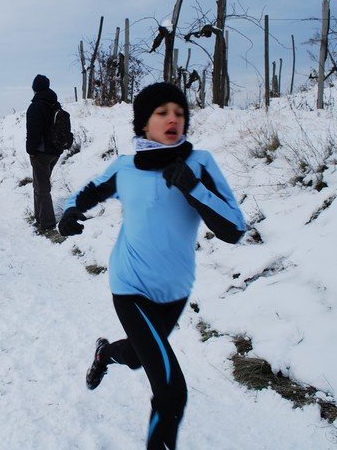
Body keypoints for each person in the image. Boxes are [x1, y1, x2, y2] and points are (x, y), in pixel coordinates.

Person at [57, 83, 245, 450]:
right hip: (130, 286)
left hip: (175, 290)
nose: (173, 119)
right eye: (162, 113)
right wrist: (69, 212)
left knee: (136, 357)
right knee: (171, 392)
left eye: (179, 112)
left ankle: (104, 354)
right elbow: (86, 193)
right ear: (144, 123)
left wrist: (194, 188)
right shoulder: (126, 168)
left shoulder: (200, 163)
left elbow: (234, 229)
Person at [26, 74, 62, 232]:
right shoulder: (55, 104)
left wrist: (31, 151)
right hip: (55, 151)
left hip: (41, 153)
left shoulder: (36, 106)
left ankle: (47, 225)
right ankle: (39, 218)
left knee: (42, 188)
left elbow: (33, 132)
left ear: (34, 88)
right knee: (40, 185)